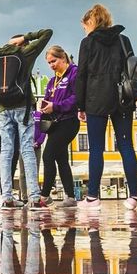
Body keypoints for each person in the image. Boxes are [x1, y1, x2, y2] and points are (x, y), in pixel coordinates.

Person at [0, 28, 53, 210]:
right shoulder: (25, 53)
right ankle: (35, 198)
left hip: (3, 111)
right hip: (23, 107)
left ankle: (7, 198)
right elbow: (47, 33)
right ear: (20, 43)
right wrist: (26, 38)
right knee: (27, 150)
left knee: (5, 152)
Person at [74, 4, 137, 210]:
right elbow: (132, 69)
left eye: (84, 26)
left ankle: (93, 197)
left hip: (96, 99)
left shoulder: (88, 43)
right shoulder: (123, 40)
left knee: (96, 149)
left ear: (91, 22)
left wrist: (80, 105)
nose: (84, 30)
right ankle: (133, 196)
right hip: (123, 99)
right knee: (126, 146)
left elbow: (82, 75)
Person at [38, 46, 80, 207]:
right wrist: (45, 109)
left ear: (63, 58)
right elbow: (48, 99)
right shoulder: (52, 81)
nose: (52, 65)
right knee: (62, 159)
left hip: (68, 121)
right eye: (49, 63)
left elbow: (76, 98)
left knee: (48, 156)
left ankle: (45, 196)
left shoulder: (74, 73)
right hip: (54, 124)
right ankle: (70, 197)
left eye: (54, 61)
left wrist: (55, 106)